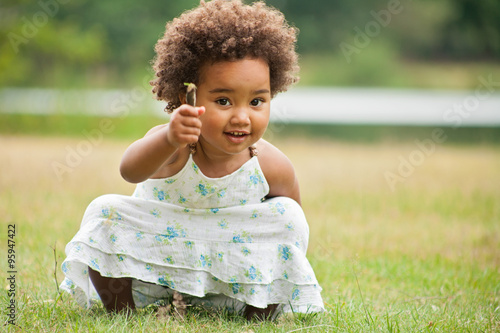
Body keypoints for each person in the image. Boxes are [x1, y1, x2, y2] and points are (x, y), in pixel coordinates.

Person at [60, 0, 324, 320]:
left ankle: (258, 316)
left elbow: (290, 232)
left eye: (256, 101)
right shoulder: (177, 145)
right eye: (224, 100)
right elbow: (129, 171)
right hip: (155, 270)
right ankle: (122, 311)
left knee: (289, 215)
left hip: (231, 281)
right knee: (103, 210)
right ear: (190, 98)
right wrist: (168, 138)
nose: (242, 117)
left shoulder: (269, 163)